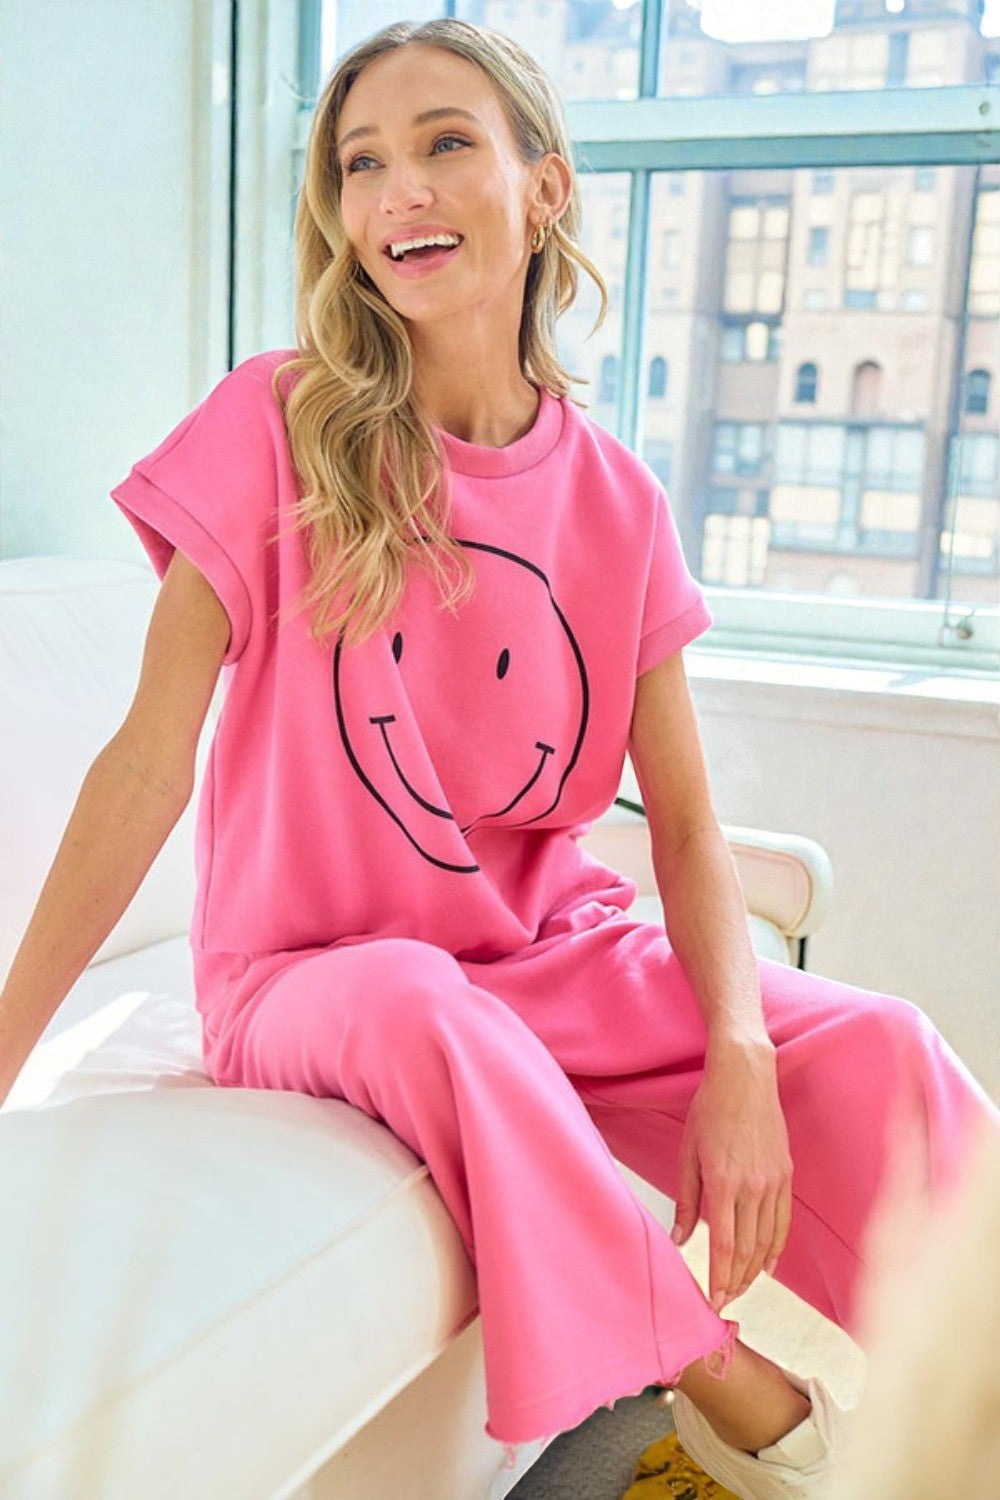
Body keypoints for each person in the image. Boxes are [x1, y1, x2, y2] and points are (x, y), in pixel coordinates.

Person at [0, 18, 996, 1499]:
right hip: (309, 976)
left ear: (545, 190)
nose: (400, 186)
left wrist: (736, 1053)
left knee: (877, 1046)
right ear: (339, 219)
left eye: (447, 142)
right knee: (421, 999)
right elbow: (144, 768)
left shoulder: (618, 499)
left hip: (547, 953)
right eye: (362, 161)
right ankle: (731, 1390)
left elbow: (688, 833)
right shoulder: (271, 423)